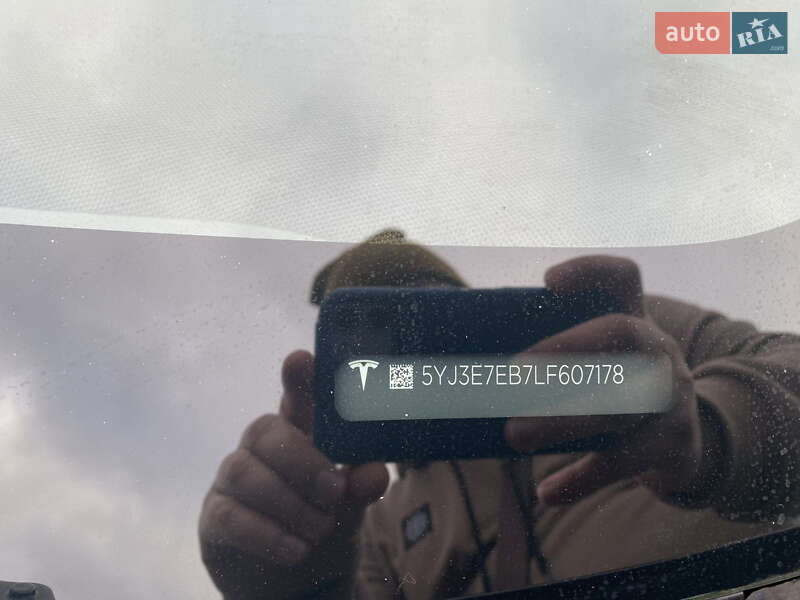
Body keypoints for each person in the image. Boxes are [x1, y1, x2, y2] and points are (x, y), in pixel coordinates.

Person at [198, 230, 800, 600]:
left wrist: (714, 427)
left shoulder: (626, 345)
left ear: (474, 308)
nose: (424, 350)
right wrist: (292, 584)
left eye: (437, 313)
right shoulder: (377, 520)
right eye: (391, 336)